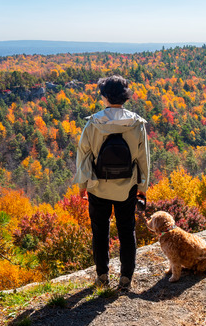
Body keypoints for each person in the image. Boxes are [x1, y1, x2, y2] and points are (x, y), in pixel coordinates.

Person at [74, 75, 150, 290]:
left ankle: (102, 277)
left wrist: (82, 186)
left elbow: (84, 156)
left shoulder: (94, 123)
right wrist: (142, 188)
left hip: (98, 186)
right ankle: (125, 278)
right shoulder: (137, 124)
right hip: (128, 187)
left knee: (100, 232)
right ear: (125, 97)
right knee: (127, 231)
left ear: (104, 96)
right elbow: (143, 158)